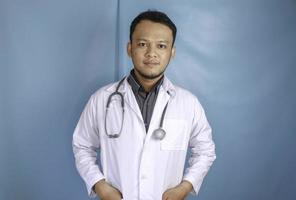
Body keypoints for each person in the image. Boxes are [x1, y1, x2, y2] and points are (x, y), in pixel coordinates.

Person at [72, 10, 216, 200]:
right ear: (130, 48)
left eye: (161, 46)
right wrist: (100, 186)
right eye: (142, 44)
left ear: (172, 52)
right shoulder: (101, 100)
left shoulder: (188, 104)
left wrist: (183, 188)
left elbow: (205, 152)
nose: (151, 53)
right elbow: (82, 146)